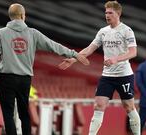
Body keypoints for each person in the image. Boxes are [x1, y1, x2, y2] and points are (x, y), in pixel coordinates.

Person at [0, 3, 89, 135]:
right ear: (22, 16)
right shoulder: (33, 34)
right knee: (24, 114)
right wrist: (74, 54)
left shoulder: (1, 33)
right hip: (25, 79)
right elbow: (53, 46)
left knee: (8, 115)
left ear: (10, 16)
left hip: (6, 78)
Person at [59, 1, 140, 135]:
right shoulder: (103, 32)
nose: (107, 15)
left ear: (118, 14)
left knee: (129, 106)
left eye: (110, 13)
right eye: (106, 13)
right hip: (107, 76)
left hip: (124, 75)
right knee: (98, 105)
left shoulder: (127, 31)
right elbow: (90, 48)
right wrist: (74, 59)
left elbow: (133, 52)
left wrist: (116, 59)